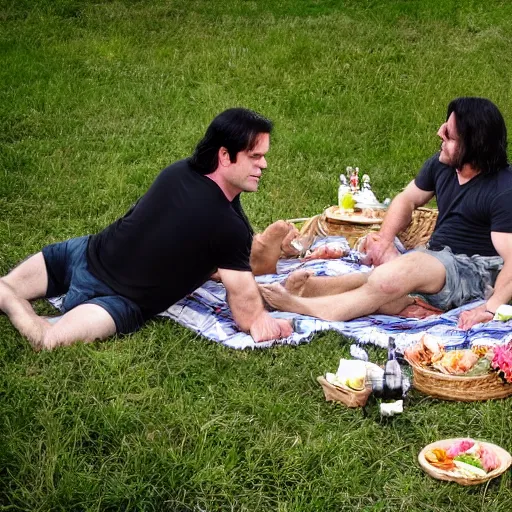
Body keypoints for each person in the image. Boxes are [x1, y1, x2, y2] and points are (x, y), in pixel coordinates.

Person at [0, 108, 292, 350]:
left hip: (86, 258)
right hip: (115, 299)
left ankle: (10, 297)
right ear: (225, 156)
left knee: (8, 287)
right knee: (46, 339)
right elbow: (247, 313)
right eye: (255, 157)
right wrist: (270, 323)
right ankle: (14, 306)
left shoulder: (178, 172)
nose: (264, 165)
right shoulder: (228, 226)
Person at [260, 97, 512, 330]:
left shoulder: (504, 189)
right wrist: (385, 240)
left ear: (473, 144)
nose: (439, 134)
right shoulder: (441, 165)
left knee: (399, 272)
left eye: (448, 134)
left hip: (474, 271)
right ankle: (310, 290)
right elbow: (406, 199)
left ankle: (300, 307)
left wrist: (490, 308)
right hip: (436, 261)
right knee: (387, 278)